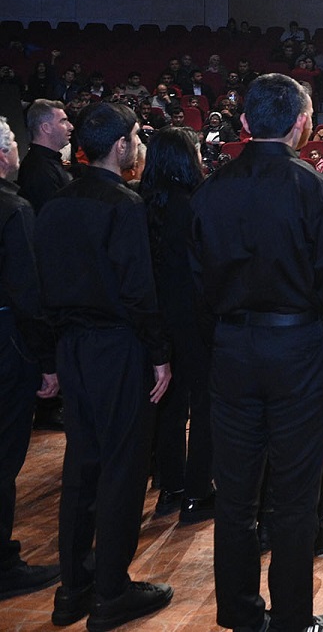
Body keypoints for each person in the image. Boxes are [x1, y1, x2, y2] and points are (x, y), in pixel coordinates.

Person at [190, 73, 323, 632]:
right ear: (302, 124)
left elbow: (196, 286)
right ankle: (291, 621)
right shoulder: (318, 191)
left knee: (235, 498)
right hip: (297, 351)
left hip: (231, 349)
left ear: (243, 123)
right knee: (293, 498)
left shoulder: (210, 190)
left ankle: (242, 616)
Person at [35, 103, 173, 630]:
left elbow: (42, 287)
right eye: (136, 136)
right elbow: (139, 291)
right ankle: (111, 592)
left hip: (71, 347)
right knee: (122, 469)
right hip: (117, 347)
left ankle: (73, 590)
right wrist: (159, 354)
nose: (138, 144)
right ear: (121, 146)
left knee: (82, 466)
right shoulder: (124, 204)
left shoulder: (55, 204)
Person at [140, 128, 216, 525]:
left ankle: (170, 486)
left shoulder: (140, 201)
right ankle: (198, 493)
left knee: (169, 403)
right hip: (193, 317)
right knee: (203, 404)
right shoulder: (194, 204)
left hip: (154, 319)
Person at [0, 115, 62, 601]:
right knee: (4, 457)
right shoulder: (14, 209)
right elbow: (27, 293)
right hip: (8, 343)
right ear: (3, 154)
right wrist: (47, 360)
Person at [18, 99, 72, 211]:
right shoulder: (38, 169)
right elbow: (54, 215)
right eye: (63, 121)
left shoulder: (45, 163)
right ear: (46, 128)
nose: (71, 126)